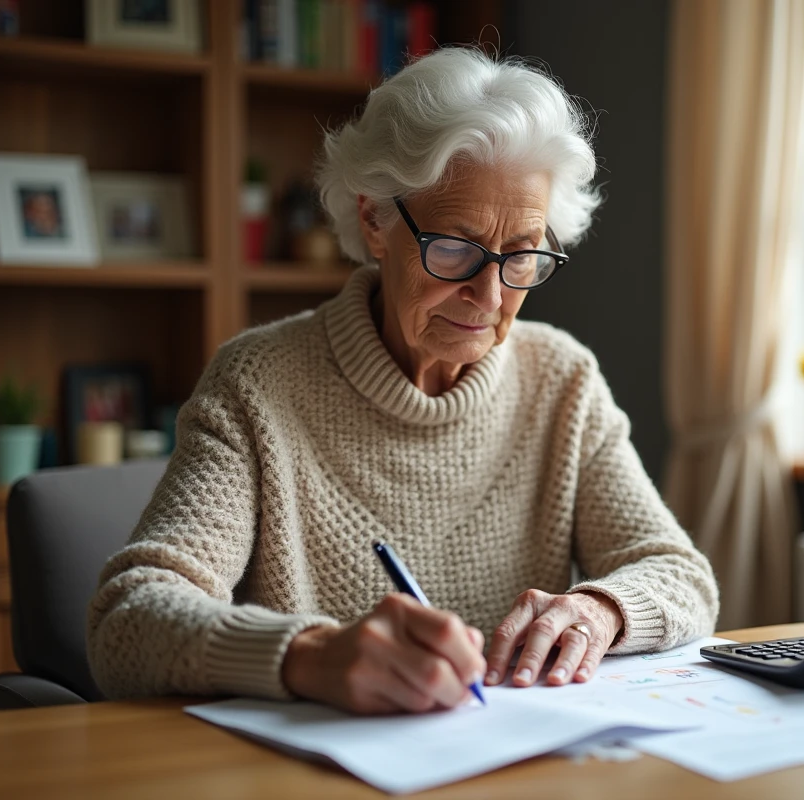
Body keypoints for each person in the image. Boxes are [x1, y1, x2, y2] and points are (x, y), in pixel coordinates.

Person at [87, 48, 718, 715]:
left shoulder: (562, 381)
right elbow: (129, 619)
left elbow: (683, 577)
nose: (489, 294)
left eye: (524, 255)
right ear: (374, 219)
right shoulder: (258, 386)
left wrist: (600, 609)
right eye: (455, 248)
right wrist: (309, 655)